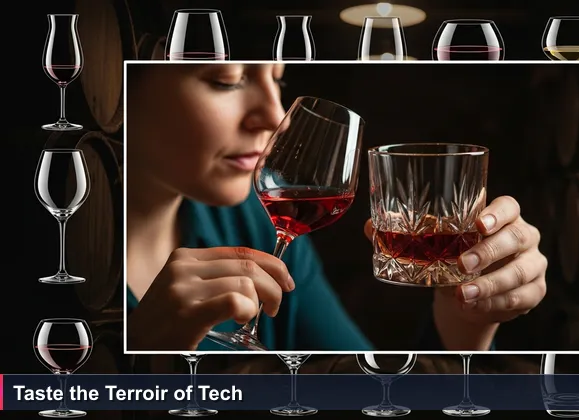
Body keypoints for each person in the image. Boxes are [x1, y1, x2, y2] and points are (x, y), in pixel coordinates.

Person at [125, 63, 548, 352]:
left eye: (278, 80)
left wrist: (467, 324)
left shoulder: (252, 224)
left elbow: (366, 393)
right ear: (117, 79)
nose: (277, 116)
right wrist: (139, 365)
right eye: (226, 79)